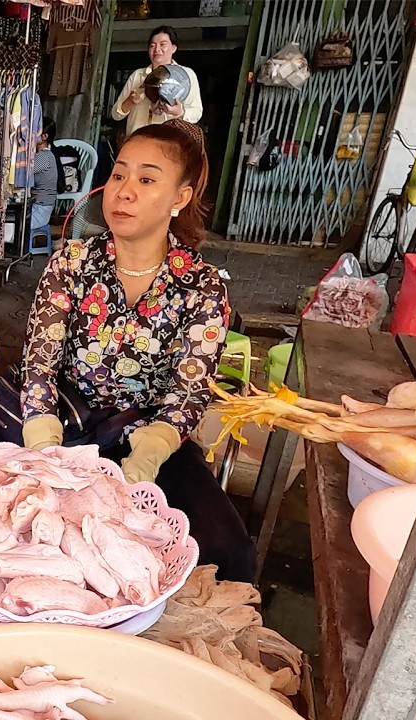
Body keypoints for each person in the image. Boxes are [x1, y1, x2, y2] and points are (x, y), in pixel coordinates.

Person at [18, 120, 254, 582]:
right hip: (64, 429)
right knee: (18, 534)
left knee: (226, 551)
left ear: (179, 198)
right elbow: (39, 368)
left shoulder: (200, 285)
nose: (123, 191)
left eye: (146, 180)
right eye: (119, 175)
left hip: (149, 440)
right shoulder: (71, 263)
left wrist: (148, 455)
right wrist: (46, 452)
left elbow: (189, 391)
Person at [111, 26, 204, 137]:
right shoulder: (138, 76)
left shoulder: (186, 76)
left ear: (174, 48)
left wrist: (179, 112)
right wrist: (130, 101)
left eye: (163, 44)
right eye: (152, 45)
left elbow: (196, 113)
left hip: (167, 146)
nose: (157, 49)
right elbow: (116, 115)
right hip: (136, 144)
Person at [30, 118, 58, 233]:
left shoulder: (44, 157)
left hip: (39, 211)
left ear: (44, 137)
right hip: (39, 209)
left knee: (6, 224)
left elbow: (22, 173)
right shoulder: (45, 155)